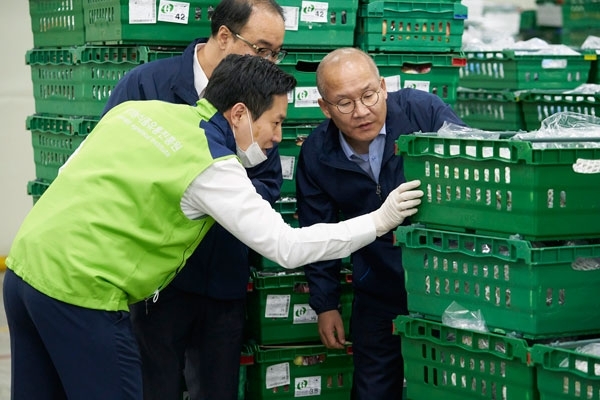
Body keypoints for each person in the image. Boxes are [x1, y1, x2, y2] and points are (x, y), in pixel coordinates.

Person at [4, 54, 424, 400]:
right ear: (239, 114)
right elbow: (286, 246)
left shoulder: (138, 112)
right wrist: (379, 219)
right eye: (275, 122)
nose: (277, 136)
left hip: (24, 273)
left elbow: (70, 171)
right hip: (83, 294)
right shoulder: (211, 165)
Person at [102, 0, 287, 398]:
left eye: (276, 53)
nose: (270, 63)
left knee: (216, 390)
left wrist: (222, 194)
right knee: (155, 389)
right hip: (155, 281)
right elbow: (110, 167)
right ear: (224, 36)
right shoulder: (145, 85)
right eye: (261, 50)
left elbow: (269, 184)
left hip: (222, 277)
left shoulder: (260, 98)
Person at [295, 47, 466, 400]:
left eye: (369, 95)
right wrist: (325, 304)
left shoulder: (424, 112)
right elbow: (317, 233)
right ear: (324, 108)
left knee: (448, 386)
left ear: (384, 86)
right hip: (377, 289)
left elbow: (472, 176)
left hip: (447, 284)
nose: (361, 111)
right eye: (344, 103)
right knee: (373, 389)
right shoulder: (317, 154)